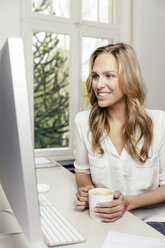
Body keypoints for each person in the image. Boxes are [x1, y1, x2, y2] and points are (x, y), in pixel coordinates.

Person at [73, 43, 165, 235]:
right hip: (104, 221)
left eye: (109, 75)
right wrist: (87, 190)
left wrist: (129, 202)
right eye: (96, 76)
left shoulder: (160, 122)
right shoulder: (83, 121)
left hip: (153, 222)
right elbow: (82, 172)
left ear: (128, 78)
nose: (98, 84)